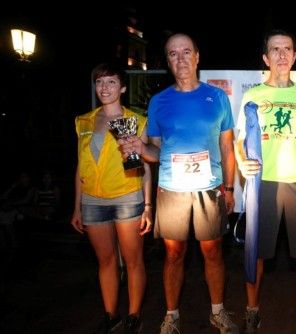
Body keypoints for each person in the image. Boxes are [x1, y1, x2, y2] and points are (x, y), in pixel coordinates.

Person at [118, 33, 239, 334]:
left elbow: (227, 148)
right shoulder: (159, 102)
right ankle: (172, 315)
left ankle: (218, 311)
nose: (181, 59)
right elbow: (155, 152)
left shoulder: (218, 97)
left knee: (213, 252)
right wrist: (138, 148)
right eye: (174, 54)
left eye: (187, 52)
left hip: (210, 190)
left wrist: (229, 188)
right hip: (172, 190)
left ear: (198, 57)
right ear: (168, 61)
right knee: (174, 254)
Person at [235, 29, 296, 333]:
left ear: (295, 56)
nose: (282, 55)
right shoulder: (253, 95)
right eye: (275, 50)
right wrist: (240, 162)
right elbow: (239, 140)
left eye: (287, 49)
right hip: (265, 184)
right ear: (266, 58)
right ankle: (252, 311)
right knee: (258, 253)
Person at [71, 63, 152, 334]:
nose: (104, 88)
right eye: (100, 82)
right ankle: (111, 316)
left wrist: (148, 206)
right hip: (92, 200)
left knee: (133, 260)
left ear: (123, 87)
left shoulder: (135, 120)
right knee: (105, 261)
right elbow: (81, 166)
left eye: (111, 82)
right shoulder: (83, 120)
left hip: (127, 196)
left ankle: (133, 315)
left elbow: (144, 166)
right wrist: (77, 207)